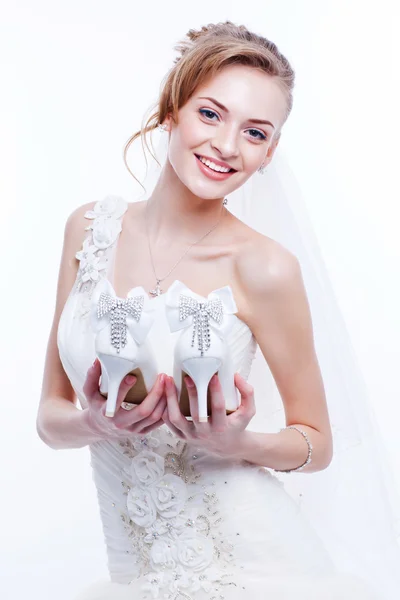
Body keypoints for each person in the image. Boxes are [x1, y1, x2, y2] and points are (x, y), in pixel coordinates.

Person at [36, 21, 400, 600]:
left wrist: (237, 444)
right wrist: (94, 423)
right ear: (172, 109)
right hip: (134, 568)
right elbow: (49, 419)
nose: (228, 146)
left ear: (269, 151)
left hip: (253, 566)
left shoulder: (265, 266)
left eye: (255, 132)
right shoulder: (88, 230)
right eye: (211, 114)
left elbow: (317, 442)